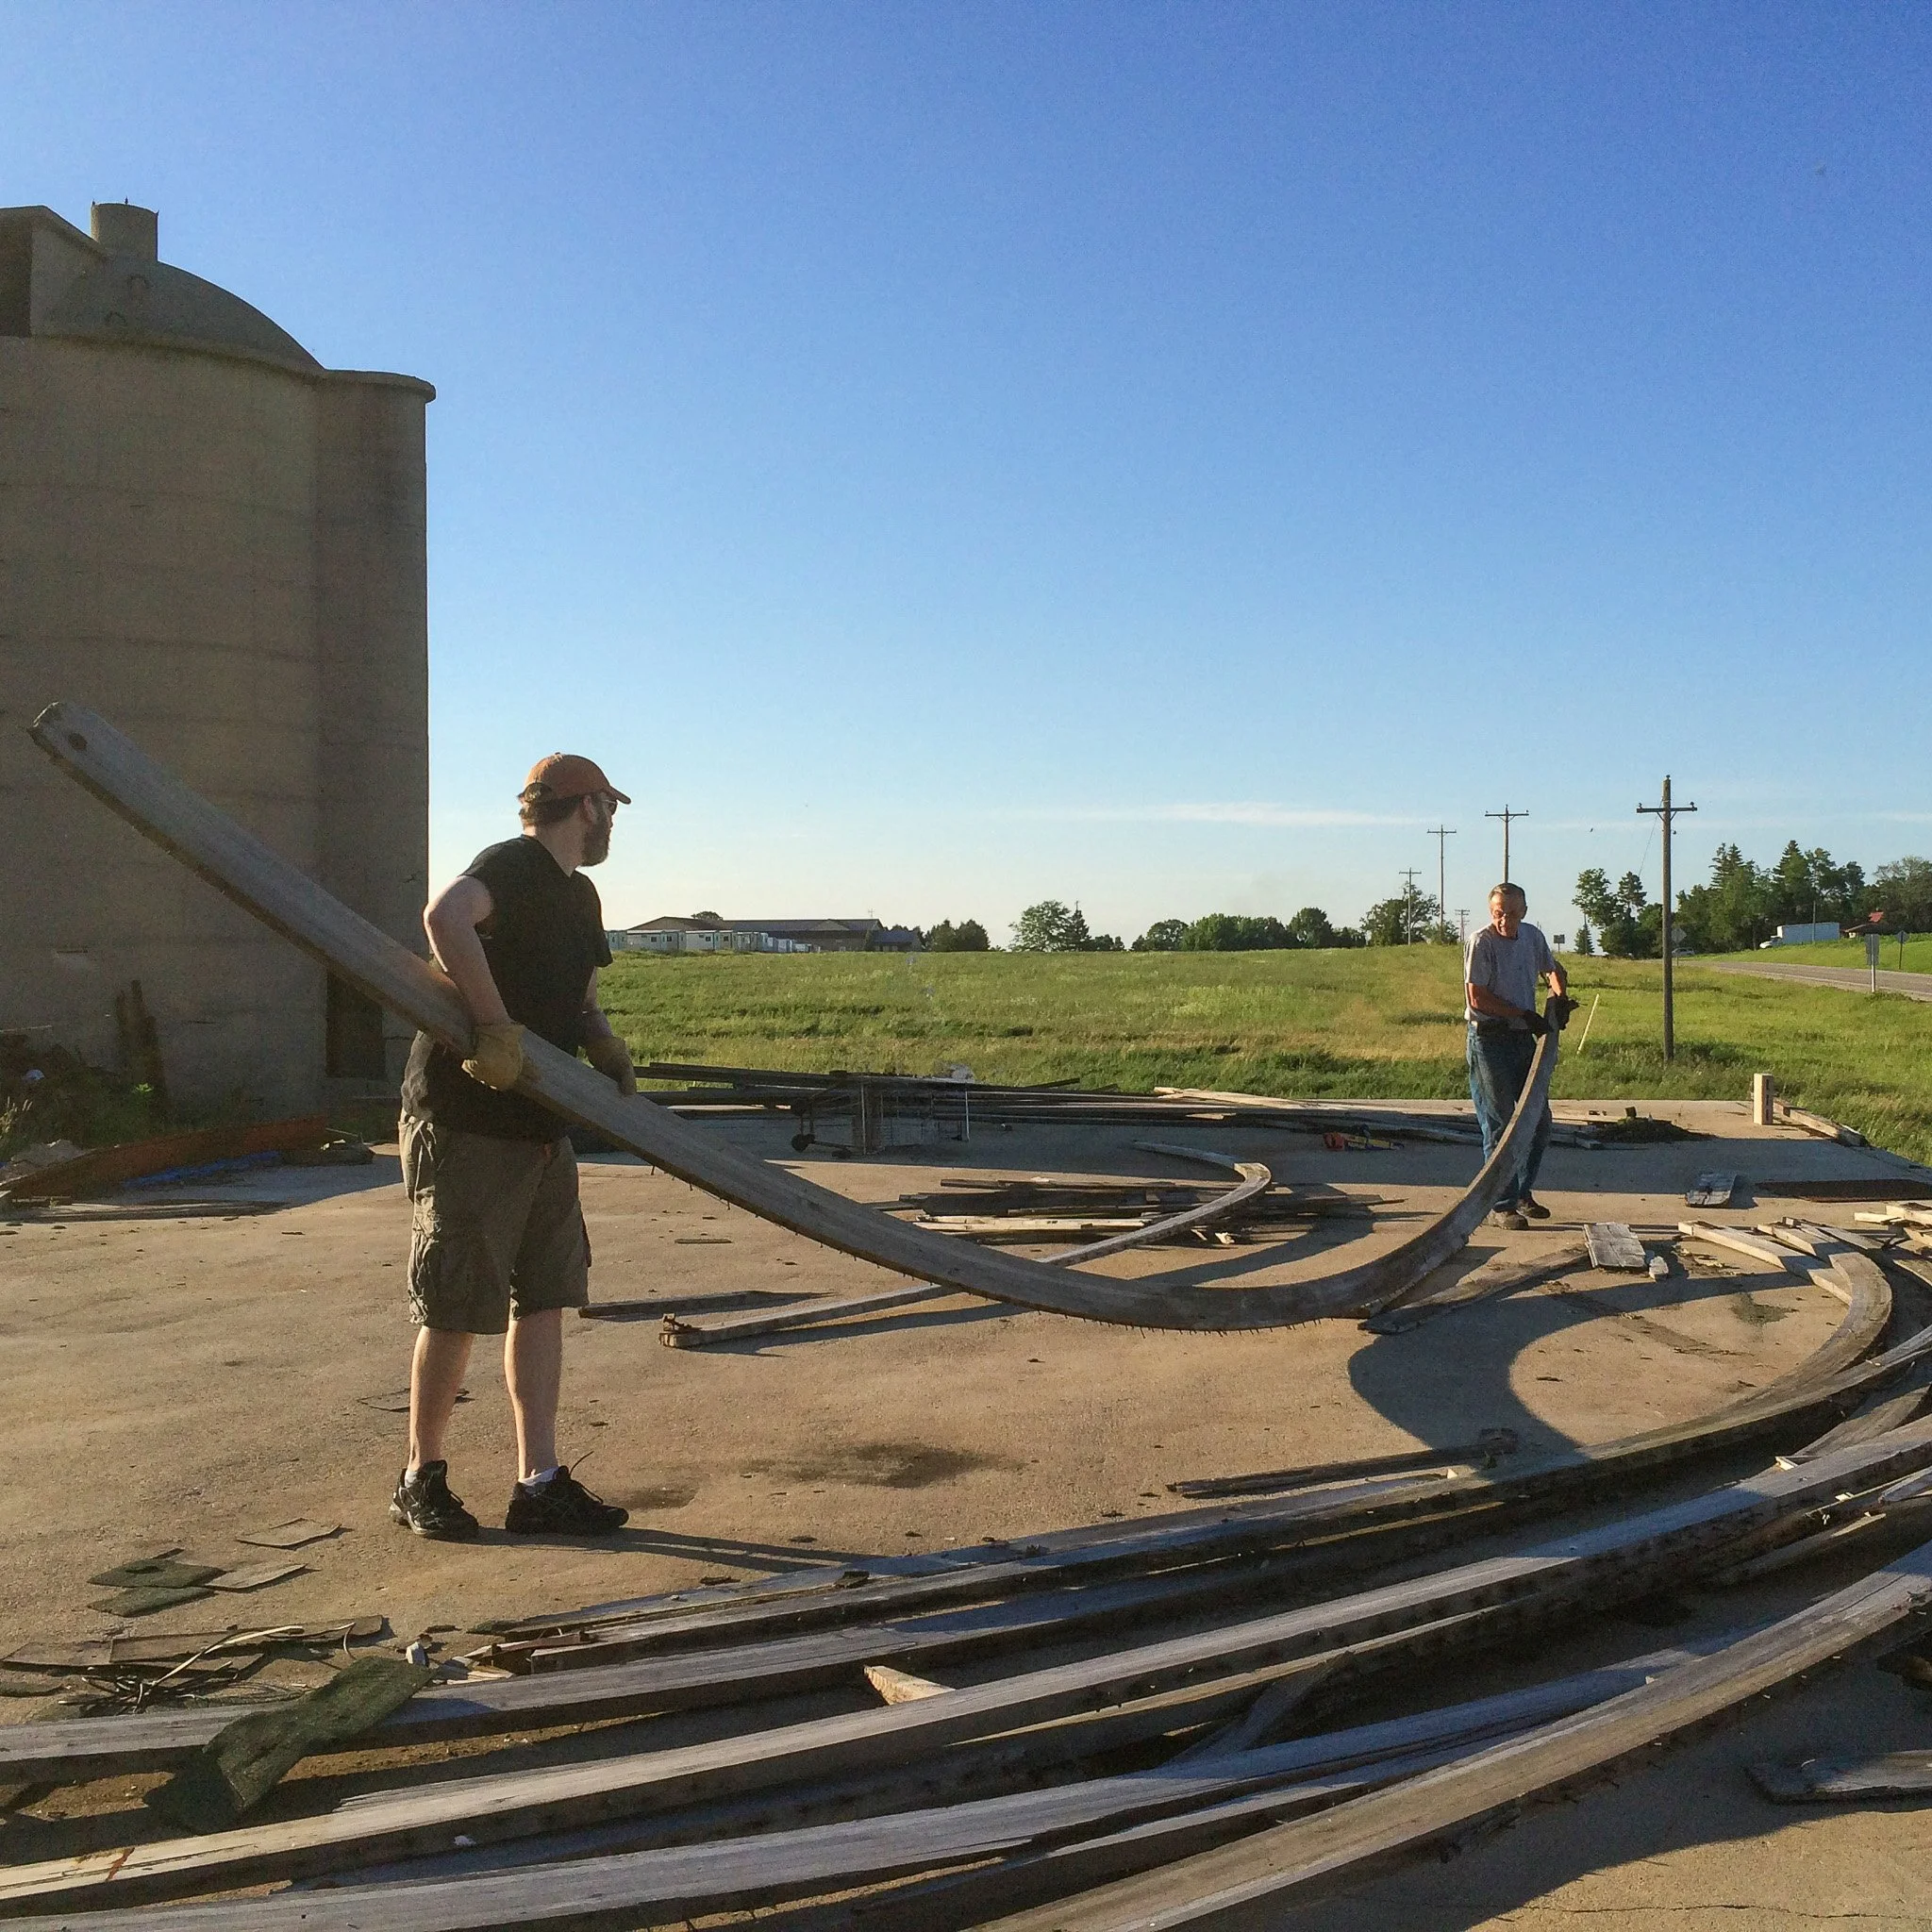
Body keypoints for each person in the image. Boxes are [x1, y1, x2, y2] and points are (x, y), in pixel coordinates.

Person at [389, 753, 641, 1541]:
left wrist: (602, 1046)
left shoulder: (579, 893)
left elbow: (581, 987)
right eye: (609, 808)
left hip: (539, 1122)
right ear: (587, 806)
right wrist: (494, 1027)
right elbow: (444, 918)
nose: (612, 825)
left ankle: (539, 1483)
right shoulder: (512, 864)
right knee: (459, 1305)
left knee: (544, 1299)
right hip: (469, 1119)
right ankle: (419, 1479)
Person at [1465, 882, 1569, 1231]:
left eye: (1511, 912)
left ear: (1523, 911)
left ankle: (1523, 1194)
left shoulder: (1532, 937)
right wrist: (1521, 1014)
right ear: (1490, 911)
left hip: (1523, 1040)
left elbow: (1553, 969)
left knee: (1538, 1122)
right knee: (1499, 1121)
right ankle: (1501, 1204)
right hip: (1489, 1040)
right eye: (1498, 912)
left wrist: (1559, 998)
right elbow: (1476, 997)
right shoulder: (1482, 943)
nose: (1504, 919)